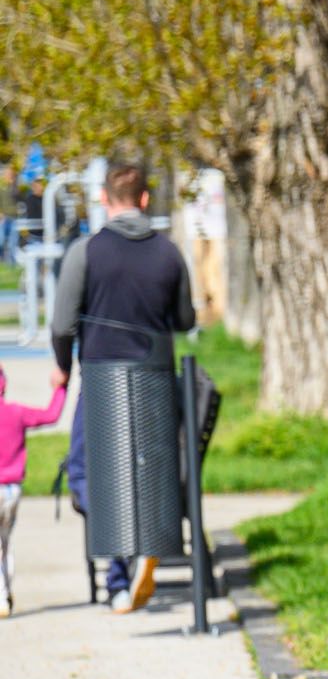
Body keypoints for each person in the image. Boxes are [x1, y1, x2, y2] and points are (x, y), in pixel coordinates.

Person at [50, 163, 196, 614]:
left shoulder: (85, 252)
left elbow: (62, 324)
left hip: (101, 386)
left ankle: (118, 571)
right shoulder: (169, 254)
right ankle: (141, 552)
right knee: (148, 469)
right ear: (145, 200)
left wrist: (62, 368)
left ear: (103, 199)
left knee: (85, 471)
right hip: (155, 387)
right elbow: (185, 320)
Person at [0, 364, 67, 615]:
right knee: (5, 543)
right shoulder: (16, 413)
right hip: (12, 491)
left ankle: (1, 596)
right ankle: (5, 592)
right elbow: (51, 415)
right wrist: (60, 388)